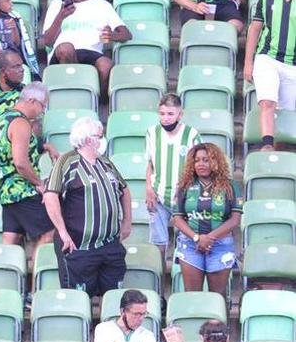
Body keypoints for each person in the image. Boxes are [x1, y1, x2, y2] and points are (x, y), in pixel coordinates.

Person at [45, 117, 133, 298]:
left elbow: (124, 190)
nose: (102, 140)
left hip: (110, 244)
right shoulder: (67, 161)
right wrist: (62, 232)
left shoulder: (106, 162)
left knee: (113, 298)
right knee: (78, 298)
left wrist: (127, 221)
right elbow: (50, 195)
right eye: (98, 136)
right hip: (79, 245)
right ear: (85, 138)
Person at [40, 0, 132, 94]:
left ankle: (94, 100)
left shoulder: (102, 5)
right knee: (66, 48)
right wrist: (61, 16)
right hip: (63, 52)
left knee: (106, 65)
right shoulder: (57, 4)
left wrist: (113, 36)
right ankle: (72, 93)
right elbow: (48, 41)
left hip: (91, 52)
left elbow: (126, 34)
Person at [171, 143, 240, 294]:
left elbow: (235, 220)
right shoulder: (184, 186)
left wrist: (208, 238)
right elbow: (177, 219)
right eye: (197, 160)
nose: (200, 164)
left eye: (206, 160)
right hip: (190, 244)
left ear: (216, 162)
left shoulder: (231, 186)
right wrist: (197, 238)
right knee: (193, 296)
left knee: (217, 297)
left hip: (220, 245)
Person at [244, 0, 296, 151]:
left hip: (292, 64)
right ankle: (266, 144)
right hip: (267, 58)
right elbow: (254, 30)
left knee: (287, 112)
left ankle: (278, 152)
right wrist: (248, 63)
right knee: (267, 102)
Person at [0, 82, 52, 253]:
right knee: (48, 233)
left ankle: (5, 279)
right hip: (22, 189)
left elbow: (9, 149)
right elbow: (20, 162)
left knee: (11, 242)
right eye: (43, 106)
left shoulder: (2, 119)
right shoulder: (21, 123)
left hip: (6, 190)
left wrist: (45, 147)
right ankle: (37, 280)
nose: (42, 111)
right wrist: (39, 184)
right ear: (32, 101)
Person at [143, 95, 201, 258]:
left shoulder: (191, 135)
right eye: (162, 114)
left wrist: (186, 189)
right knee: (158, 245)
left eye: (170, 114)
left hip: (184, 198)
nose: (165, 118)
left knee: (185, 245)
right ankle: (160, 281)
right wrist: (148, 188)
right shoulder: (151, 133)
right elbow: (150, 163)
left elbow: (199, 167)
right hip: (158, 196)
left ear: (180, 115)